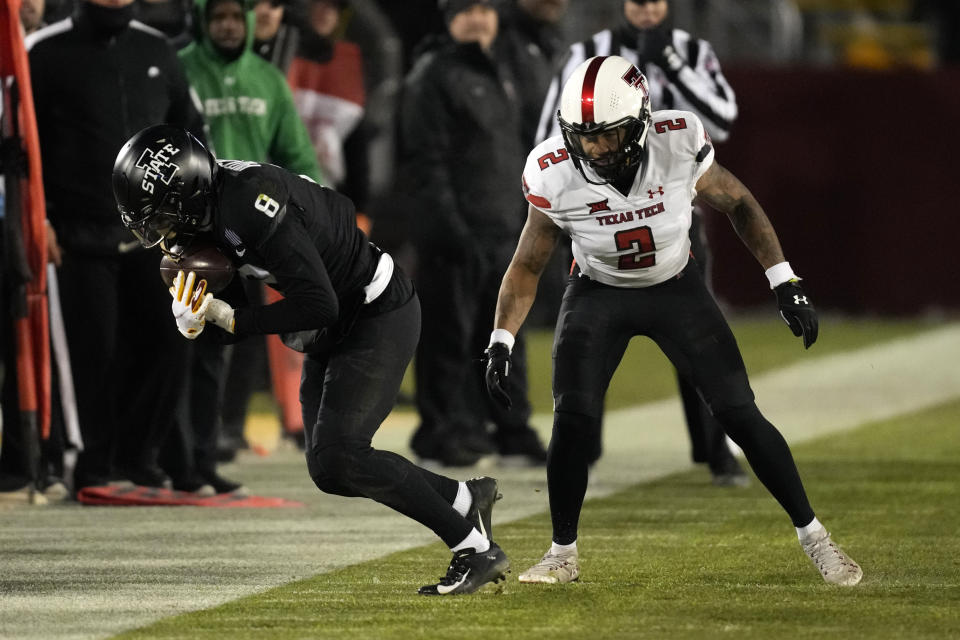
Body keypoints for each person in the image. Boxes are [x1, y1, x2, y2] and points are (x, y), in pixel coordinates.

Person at [485, 55, 862, 587]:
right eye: (583, 137)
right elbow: (528, 261)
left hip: (675, 289)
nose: (594, 149)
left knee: (739, 414)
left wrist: (784, 280)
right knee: (571, 422)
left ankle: (817, 539)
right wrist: (501, 338)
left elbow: (740, 203)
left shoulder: (677, 139)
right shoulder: (552, 170)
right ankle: (561, 554)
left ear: (640, 124)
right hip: (598, 293)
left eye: (608, 136)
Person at [112, 123, 509, 595]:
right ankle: (466, 498)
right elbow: (237, 327)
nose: (161, 235)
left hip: (375, 308)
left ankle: (473, 548)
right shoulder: (210, 210)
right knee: (329, 469)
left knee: (343, 452)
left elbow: (317, 303)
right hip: (332, 322)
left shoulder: (249, 202)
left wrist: (232, 318)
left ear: (189, 195)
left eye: (161, 218)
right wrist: (200, 323)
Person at [536, 0, 745, 485]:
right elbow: (552, 131)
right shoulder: (586, 55)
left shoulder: (693, 51)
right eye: (637, 1)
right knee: (589, 339)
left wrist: (671, 62)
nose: (647, 10)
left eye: (655, 1)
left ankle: (718, 450)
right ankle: (581, 447)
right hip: (601, 218)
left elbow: (724, 118)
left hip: (675, 218)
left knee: (698, 338)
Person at [26, 0, 205, 495]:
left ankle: (136, 456)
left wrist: (195, 217)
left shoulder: (156, 48)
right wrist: (38, 218)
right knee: (93, 354)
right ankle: (91, 464)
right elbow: (23, 145)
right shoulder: (43, 52)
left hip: (155, 236)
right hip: (78, 234)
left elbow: (189, 133)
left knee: (173, 342)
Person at [173, 0, 323, 493]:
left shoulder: (267, 79)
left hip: (252, 234)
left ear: (250, 22)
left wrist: (314, 211)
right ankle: (175, 455)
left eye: (236, 18)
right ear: (202, 20)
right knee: (184, 343)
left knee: (227, 344)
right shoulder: (180, 66)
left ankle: (208, 449)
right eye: (218, 18)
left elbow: (297, 152)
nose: (228, 27)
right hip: (193, 233)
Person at [398, 0, 547, 468]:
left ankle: (509, 428)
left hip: (504, 227)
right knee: (449, 337)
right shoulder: (432, 74)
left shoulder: (503, 67)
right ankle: (441, 432)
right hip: (455, 233)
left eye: (486, 7)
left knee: (506, 334)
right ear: (449, 18)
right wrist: (451, 229)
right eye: (467, 9)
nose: (479, 17)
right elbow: (428, 163)